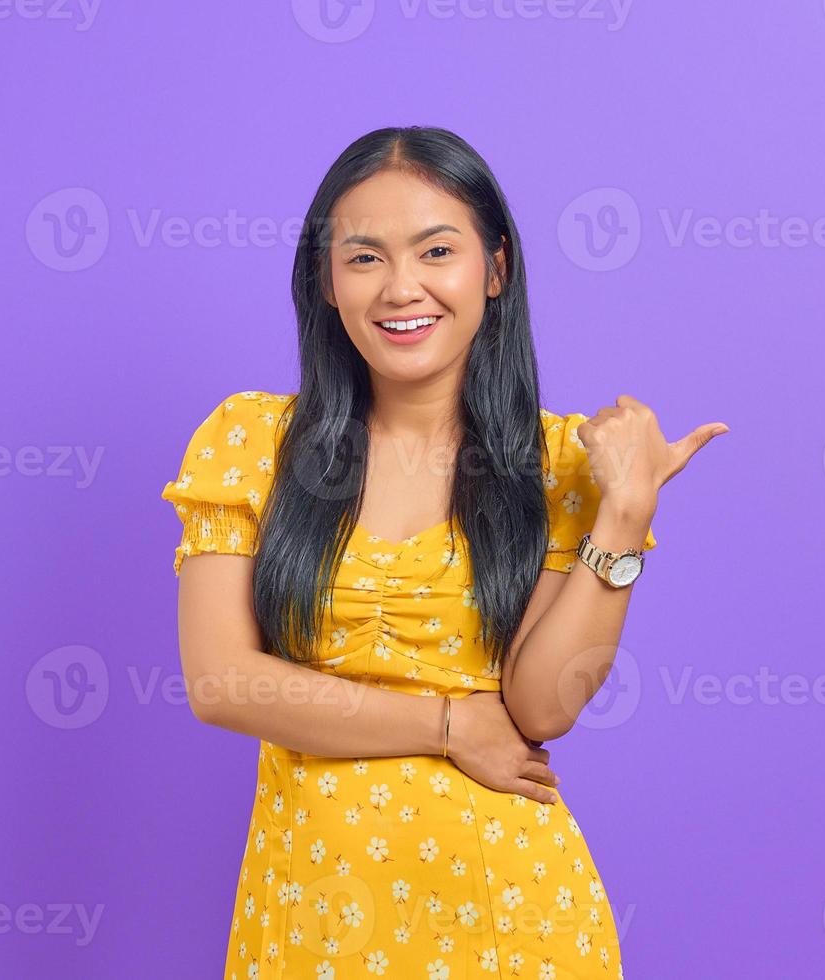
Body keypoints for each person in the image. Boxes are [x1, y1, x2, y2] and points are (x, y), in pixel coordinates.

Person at [160, 125, 727, 979]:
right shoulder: (251, 443)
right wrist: (448, 723)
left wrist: (621, 517)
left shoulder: (558, 465)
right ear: (325, 280)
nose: (401, 288)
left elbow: (540, 710)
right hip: (311, 917)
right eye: (363, 258)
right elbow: (221, 681)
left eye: (436, 250)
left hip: (513, 914)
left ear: (494, 270)